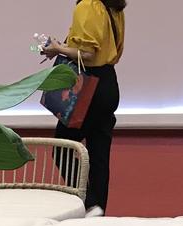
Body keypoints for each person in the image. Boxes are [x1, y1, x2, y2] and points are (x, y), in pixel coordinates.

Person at [43, 0, 126, 215]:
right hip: (108, 83)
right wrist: (61, 48)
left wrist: (59, 48)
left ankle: (89, 202)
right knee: (99, 153)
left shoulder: (88, 6)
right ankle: (98, 208)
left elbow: (88, 55)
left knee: (63, 148)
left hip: (88, 86)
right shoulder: (113, 6)